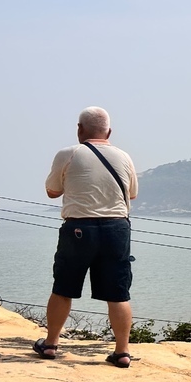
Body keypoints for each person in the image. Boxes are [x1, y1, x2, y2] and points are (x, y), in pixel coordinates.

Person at [34, 107, 139, 368]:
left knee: (63, 288)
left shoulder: (69, 154)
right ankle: (122, 352)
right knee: (118, 293)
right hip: (117, 228)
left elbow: (52, 191)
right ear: (109, 132)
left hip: (79, 228)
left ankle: (50, 344)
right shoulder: (123, 156)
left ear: (79, 129)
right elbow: (132, 194)